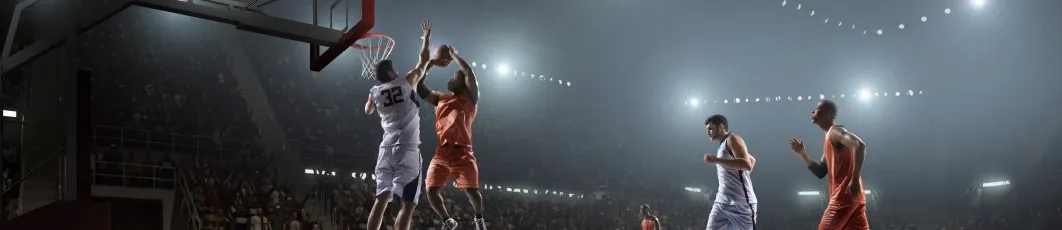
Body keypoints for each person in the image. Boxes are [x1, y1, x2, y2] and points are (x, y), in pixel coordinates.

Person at [362, 20, 434, 230]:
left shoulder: (374, 92)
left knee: (381, 199)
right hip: (407, 148)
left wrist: (372, 98)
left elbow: (367, 111)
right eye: (394, 68)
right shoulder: (406, 82)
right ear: (391, 73)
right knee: (408, 204)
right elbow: (424, 61)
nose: (397, 69)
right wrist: (426, 38)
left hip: (386, 148)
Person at [414, 45, 486, 230]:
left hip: (463, 153)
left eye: (456, 77)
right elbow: (419, 87)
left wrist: (454, 56)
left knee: (472, 191)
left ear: (464, 84)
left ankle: (478, 218)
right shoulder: (440, 98)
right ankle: (448, 221)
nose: (452, 77)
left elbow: (468, 71)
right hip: (442, 154)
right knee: (430, 191)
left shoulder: (471, 100)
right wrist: (429, 64)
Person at [788, 100, 869, 230]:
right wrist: (802, 153)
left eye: (818, 108)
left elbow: (859, 145)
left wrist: (854, 180)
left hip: (844, 196)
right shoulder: (829, 138)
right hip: (855, 198)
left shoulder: (835, 131)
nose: (813, 111)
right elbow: (820, 171)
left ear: (828, 114)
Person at [702, 114, 758, 230]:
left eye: (710, 129)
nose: (708, 132)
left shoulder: (733, 139)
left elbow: (747, 164)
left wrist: (716, 160)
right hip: (722, 202)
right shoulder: (722, 145)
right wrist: (739, 177)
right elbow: (752, 160)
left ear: (721, 127)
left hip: (742, 204)